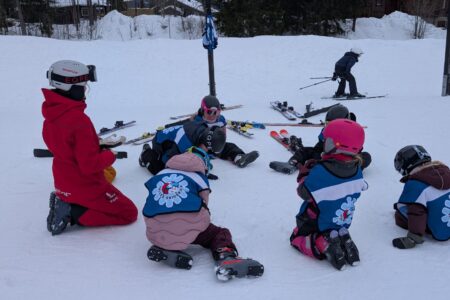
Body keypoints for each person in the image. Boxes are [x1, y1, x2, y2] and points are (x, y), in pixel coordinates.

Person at [42, 60, 138, 235]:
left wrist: (94, 145)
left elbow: (65, 146)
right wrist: (110, 155)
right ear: (71, 87)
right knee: (129, 213)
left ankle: (67, 201)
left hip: (63, 181)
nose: (85, 91)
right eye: (83, 86)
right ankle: (73, 213)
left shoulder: (51, 114)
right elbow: (89, 166)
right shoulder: (79, 121)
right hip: (86, 184)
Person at [143, 147, 264, 281]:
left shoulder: (161, 174)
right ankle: (225, 256)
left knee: (166, 220)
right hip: (187, 227)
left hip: (154, 229)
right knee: (219, 233)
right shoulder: (198, 177)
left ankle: (164, 246)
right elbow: (204, 203)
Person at [289, 119, 368, 270]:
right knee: (335, 219)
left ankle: (320, 243)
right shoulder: (357, 169)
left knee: (296, 238)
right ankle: (342, 237)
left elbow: (304, 192)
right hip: (342, 219)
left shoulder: (321, 171)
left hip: (318, 221)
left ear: (332, 144)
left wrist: (305, 173)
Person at [269, 104, 371, 174]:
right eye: (327, 124)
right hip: (327, 156)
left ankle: (348, 169)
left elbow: (357, 150)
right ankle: (292, 164)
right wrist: (320, 154)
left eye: (332, 124)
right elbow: (319, 147)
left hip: (346, 159)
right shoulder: (326, 131)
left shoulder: (353, 131)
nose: (329, 127)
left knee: (365, 157)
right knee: (305, 151)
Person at [392, 145, 450, 249]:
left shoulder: (415, 185)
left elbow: (417, 213)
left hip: (442, 231)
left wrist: (413, 238)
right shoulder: (446, 172)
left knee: (401, 210)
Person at [139, 120, 226, 177]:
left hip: (175, 139)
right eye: (208, 149)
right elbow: (168, 161)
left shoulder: (204, 130)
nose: (208, 152)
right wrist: (198, 171)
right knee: (161, 171)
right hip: (160, 143)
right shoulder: (184, 143)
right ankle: (145, 154)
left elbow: (202, 155)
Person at [193, 95, 259, 168]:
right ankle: (200, 161)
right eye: (209, 112)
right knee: (198, 150)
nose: (212, 115)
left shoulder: (220, 120)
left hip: (215, 145)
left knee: (230, 147)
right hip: (201, 145)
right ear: (203, 110)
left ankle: (239, 158)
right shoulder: (197, 120)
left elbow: (223, 133)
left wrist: (220, 144)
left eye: (216, 112)